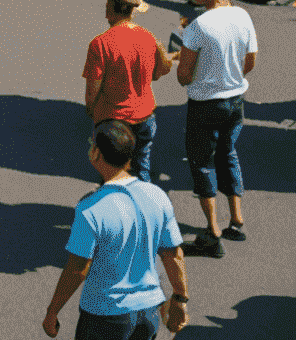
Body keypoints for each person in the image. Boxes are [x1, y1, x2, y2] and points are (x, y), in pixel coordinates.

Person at [42, 118, 190, 340]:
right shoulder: (157, 196)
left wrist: (52, 311)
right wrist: (180, 298)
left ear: (96, 154)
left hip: (104, 317)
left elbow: (77, 268)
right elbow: (173, 253)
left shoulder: (90, 208)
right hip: (148, 314)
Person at [176, 0, 257, 257]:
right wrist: (228, 76)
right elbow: (249, 61)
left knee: (201, 163)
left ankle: (212, 233)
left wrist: (196, 68)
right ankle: (236, 219)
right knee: (228, 153)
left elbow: (184, 76)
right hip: (236, 100)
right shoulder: (242, 15)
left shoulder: (198, 27)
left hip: (205, 105)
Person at [83, 0, 170, 184]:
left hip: (114, 120)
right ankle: (142, 209)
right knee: (142, 169)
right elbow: (158, 72)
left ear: (110, 9)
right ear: (132, 11)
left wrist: (92, 112)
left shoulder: (101, 43)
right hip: (145, 116)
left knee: (112, 174)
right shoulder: (148, 38)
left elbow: (92, 91)